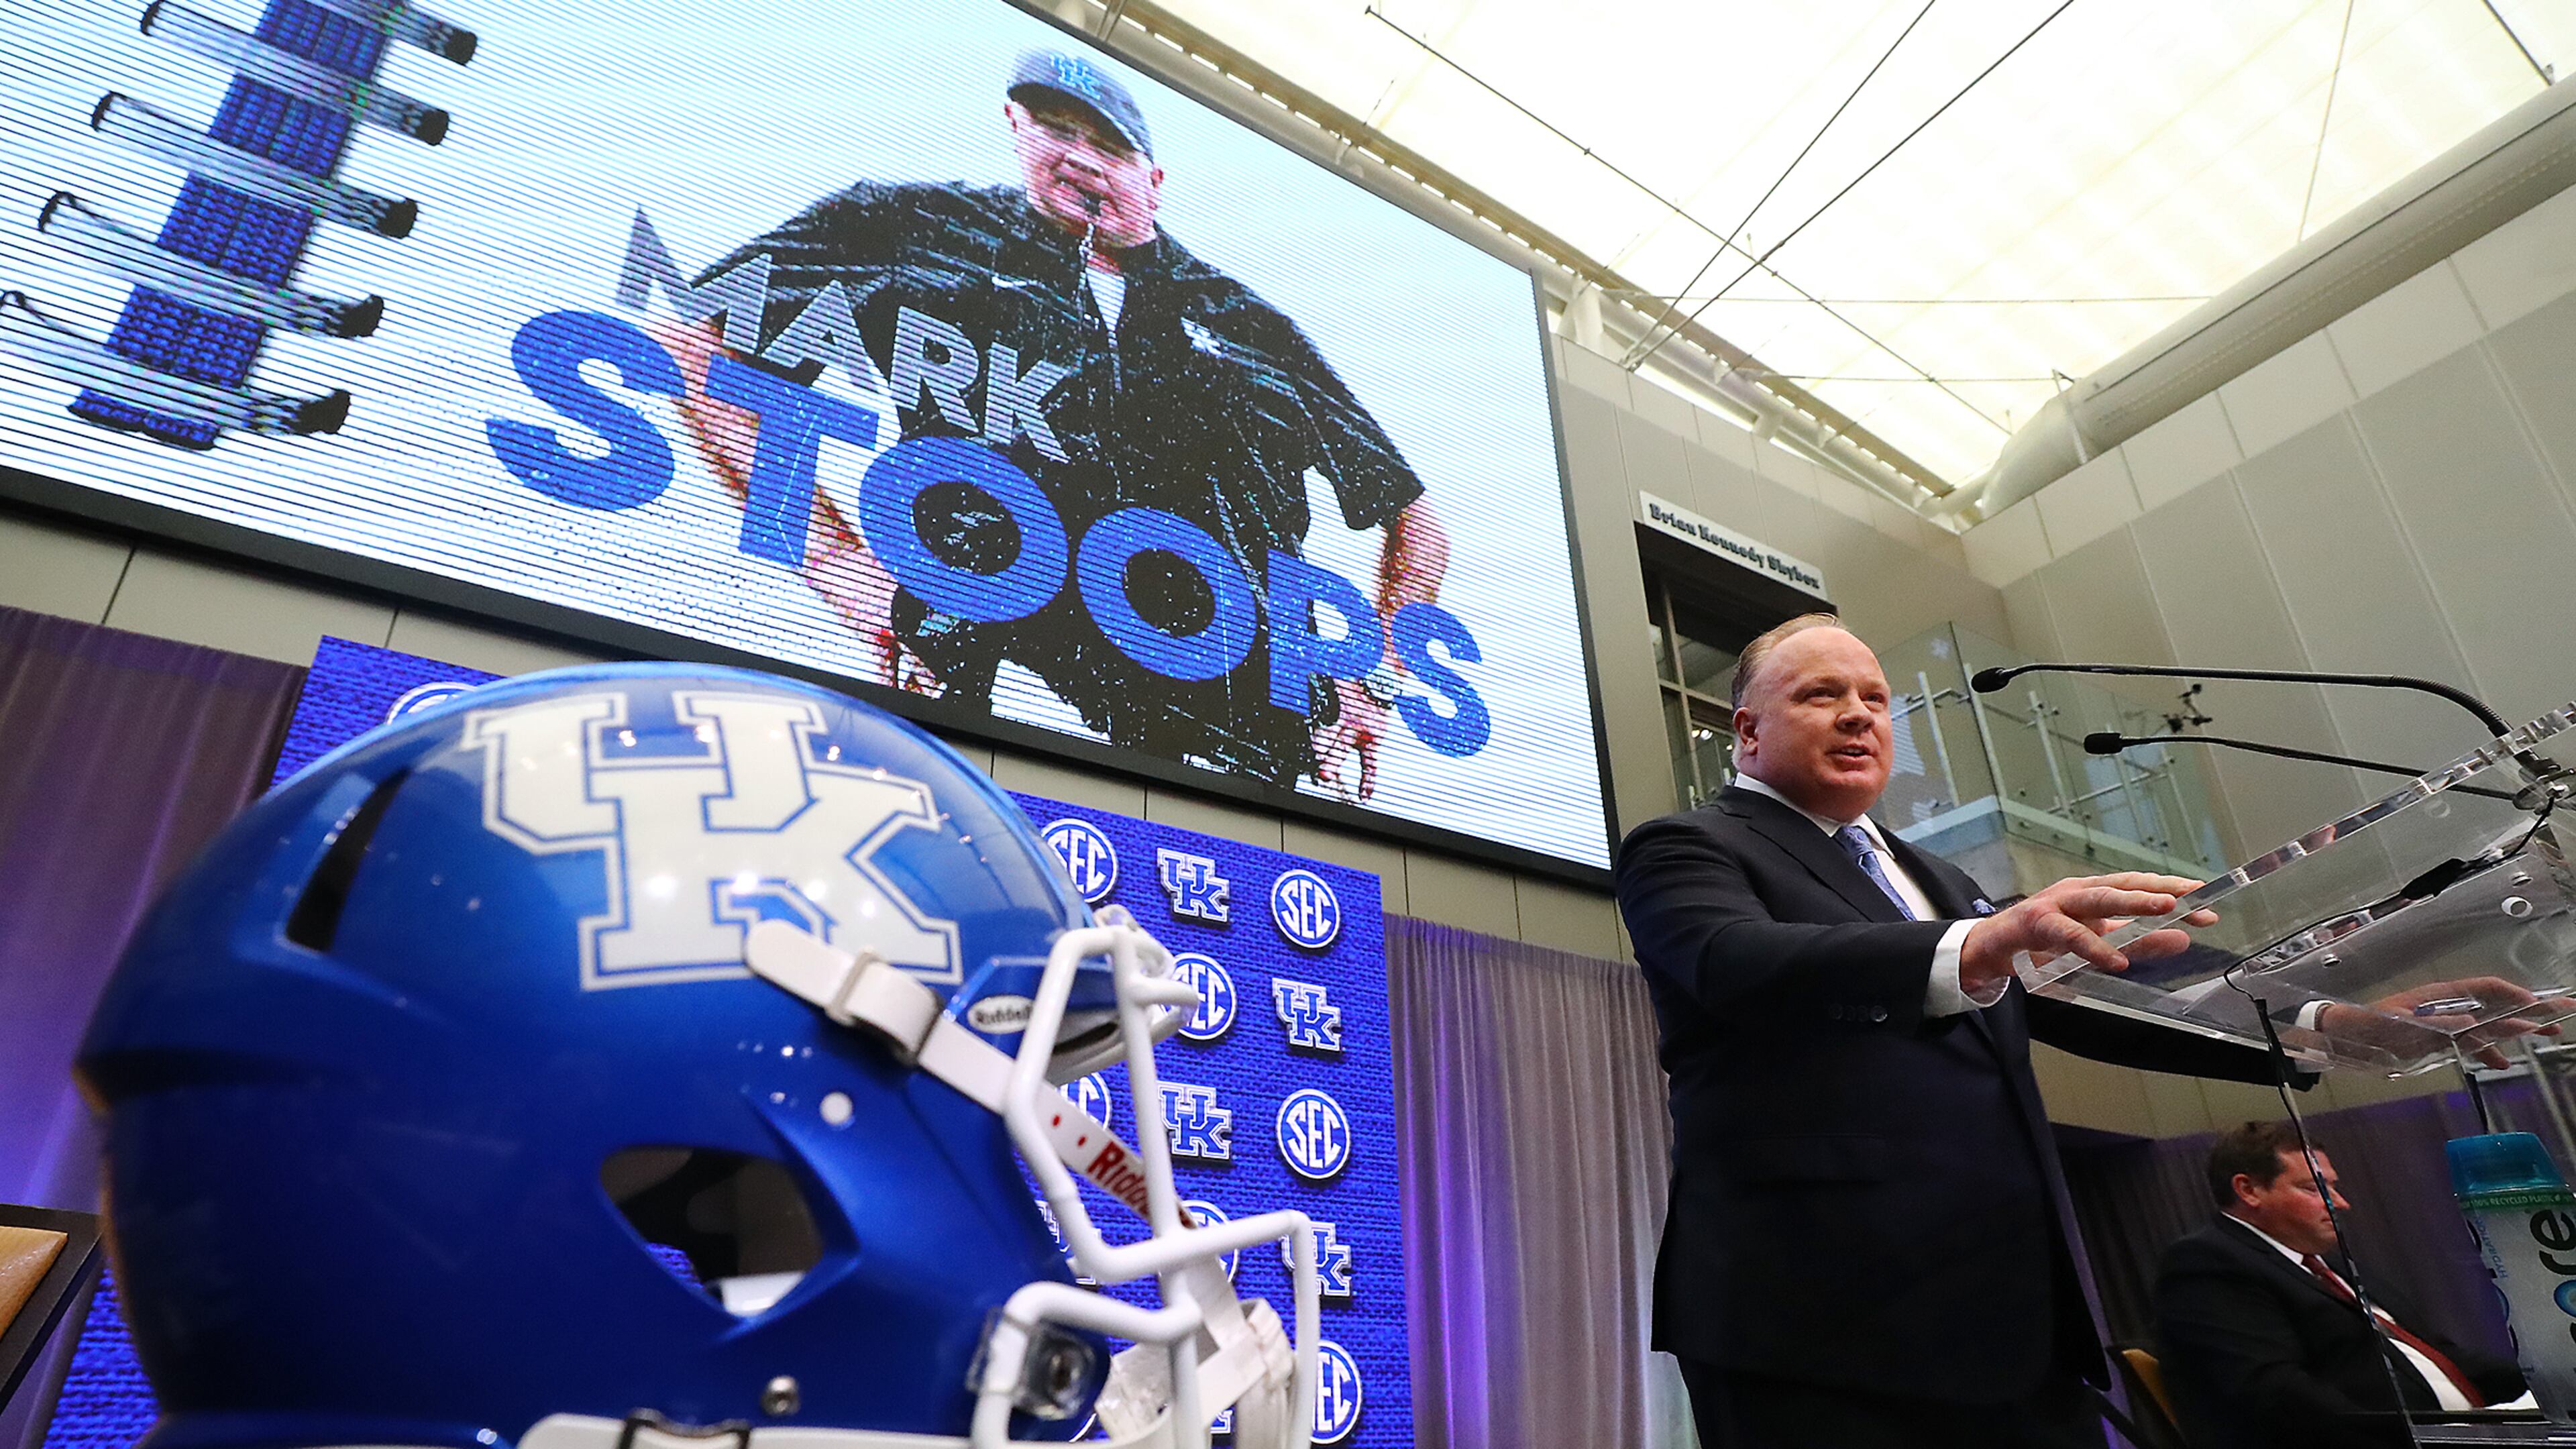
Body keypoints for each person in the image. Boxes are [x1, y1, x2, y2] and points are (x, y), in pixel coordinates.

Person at [657, 48, 1448, 798]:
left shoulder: (1248, 325)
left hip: (1232, 739)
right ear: (1016, 128)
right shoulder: (909, 228)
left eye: (1109, 144)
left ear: (1155, 178)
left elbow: (1417, 523)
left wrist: (1372, 680)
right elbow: (697, 341)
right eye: (1057, 129)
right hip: (975, 695)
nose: (1080, 156)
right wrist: (836, 559)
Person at [1615, 611, 2294, 1449]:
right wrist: (1984, 939)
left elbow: (2083, 987)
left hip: (2015, 1325)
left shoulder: (1936, 874)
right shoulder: (1686, 846)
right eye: (1823, 694)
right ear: (1748, 732)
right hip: (1820, 1335)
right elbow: (1735, 960)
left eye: (1875, 697)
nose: (1861, 714)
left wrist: (2323, 1018)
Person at [2155, 1122, 2524, 1449]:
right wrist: (2440, 1435)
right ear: (2249, 1190)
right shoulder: (2206, 1263)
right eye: (2314, 1188)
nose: (2341, 1203)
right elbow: (2279, 1397)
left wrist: (2549, 1387)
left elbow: (2440, 1354)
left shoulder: (2330, 1267)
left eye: (2333, 1187)